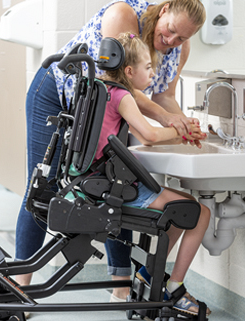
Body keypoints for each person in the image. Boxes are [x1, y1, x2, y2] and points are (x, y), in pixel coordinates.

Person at [15, 0, 207, 314]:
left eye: (182, 39)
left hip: (109, 109)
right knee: (43, 187)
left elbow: (164, 96)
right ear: (164, 9)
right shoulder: (123, 15)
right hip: (58, 93)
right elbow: (120, 83)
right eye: (171, 31)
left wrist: (186, 124)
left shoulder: (178, 49)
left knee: (118, 186)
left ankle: (121, 288)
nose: (173, 42)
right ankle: (19, 288)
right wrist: (171, 125)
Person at [96, 32, 210, 316]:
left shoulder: (101, 89)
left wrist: (179, 135)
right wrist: (183, 130)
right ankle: (175, 287)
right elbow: (148, 133)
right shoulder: (122, 95)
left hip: (100, 183)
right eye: (148, 67)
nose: (153, 72)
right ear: (129, 71)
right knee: (200, 213)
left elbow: (142, 136)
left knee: (179, 210)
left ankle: (149, 275)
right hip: (114, 188)